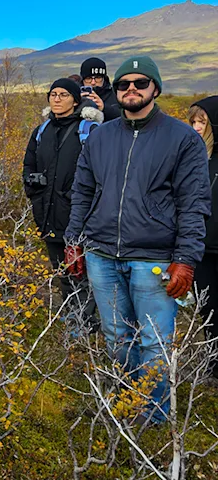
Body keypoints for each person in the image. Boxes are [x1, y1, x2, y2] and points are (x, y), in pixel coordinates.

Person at [65, 56, 210, 423]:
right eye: (124, 83)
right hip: (100, 253)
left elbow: (194, 203)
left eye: (140, 82)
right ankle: (126, 404)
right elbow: (82, 190)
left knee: (154, 342)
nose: (131, 89)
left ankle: (154, 415)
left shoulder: (183, 139)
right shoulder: (101, 137)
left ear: (155, 88)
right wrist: (74, 241)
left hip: (154, 257)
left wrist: (187, 259)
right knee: (115, 337)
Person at [22, 78, 102, 331]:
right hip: (47, 210)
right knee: (61, 268)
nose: (56, 99)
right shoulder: (41, 131)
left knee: (82, 269)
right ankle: (72, 315)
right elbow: (28, 166)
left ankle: (85, 322)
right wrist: (35, 195)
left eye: (63, 94)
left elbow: (100, 173)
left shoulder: (90, 130)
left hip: (78, 212)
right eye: (53, 94)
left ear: (76, 100)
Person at [188, 97, 218, 378]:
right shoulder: (193, 157)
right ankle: (214, 365)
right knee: (208, 310)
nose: (196, 128)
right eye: (193, 122)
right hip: (201, 249)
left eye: (203, 122)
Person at [79, 57, 122, 122]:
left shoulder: (116, 95)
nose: (93, 82)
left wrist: (104, 108)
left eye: (98, 78)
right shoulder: (73, 95)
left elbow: (125, 117)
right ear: (82, 79)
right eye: (88, 78)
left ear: (104, 78)